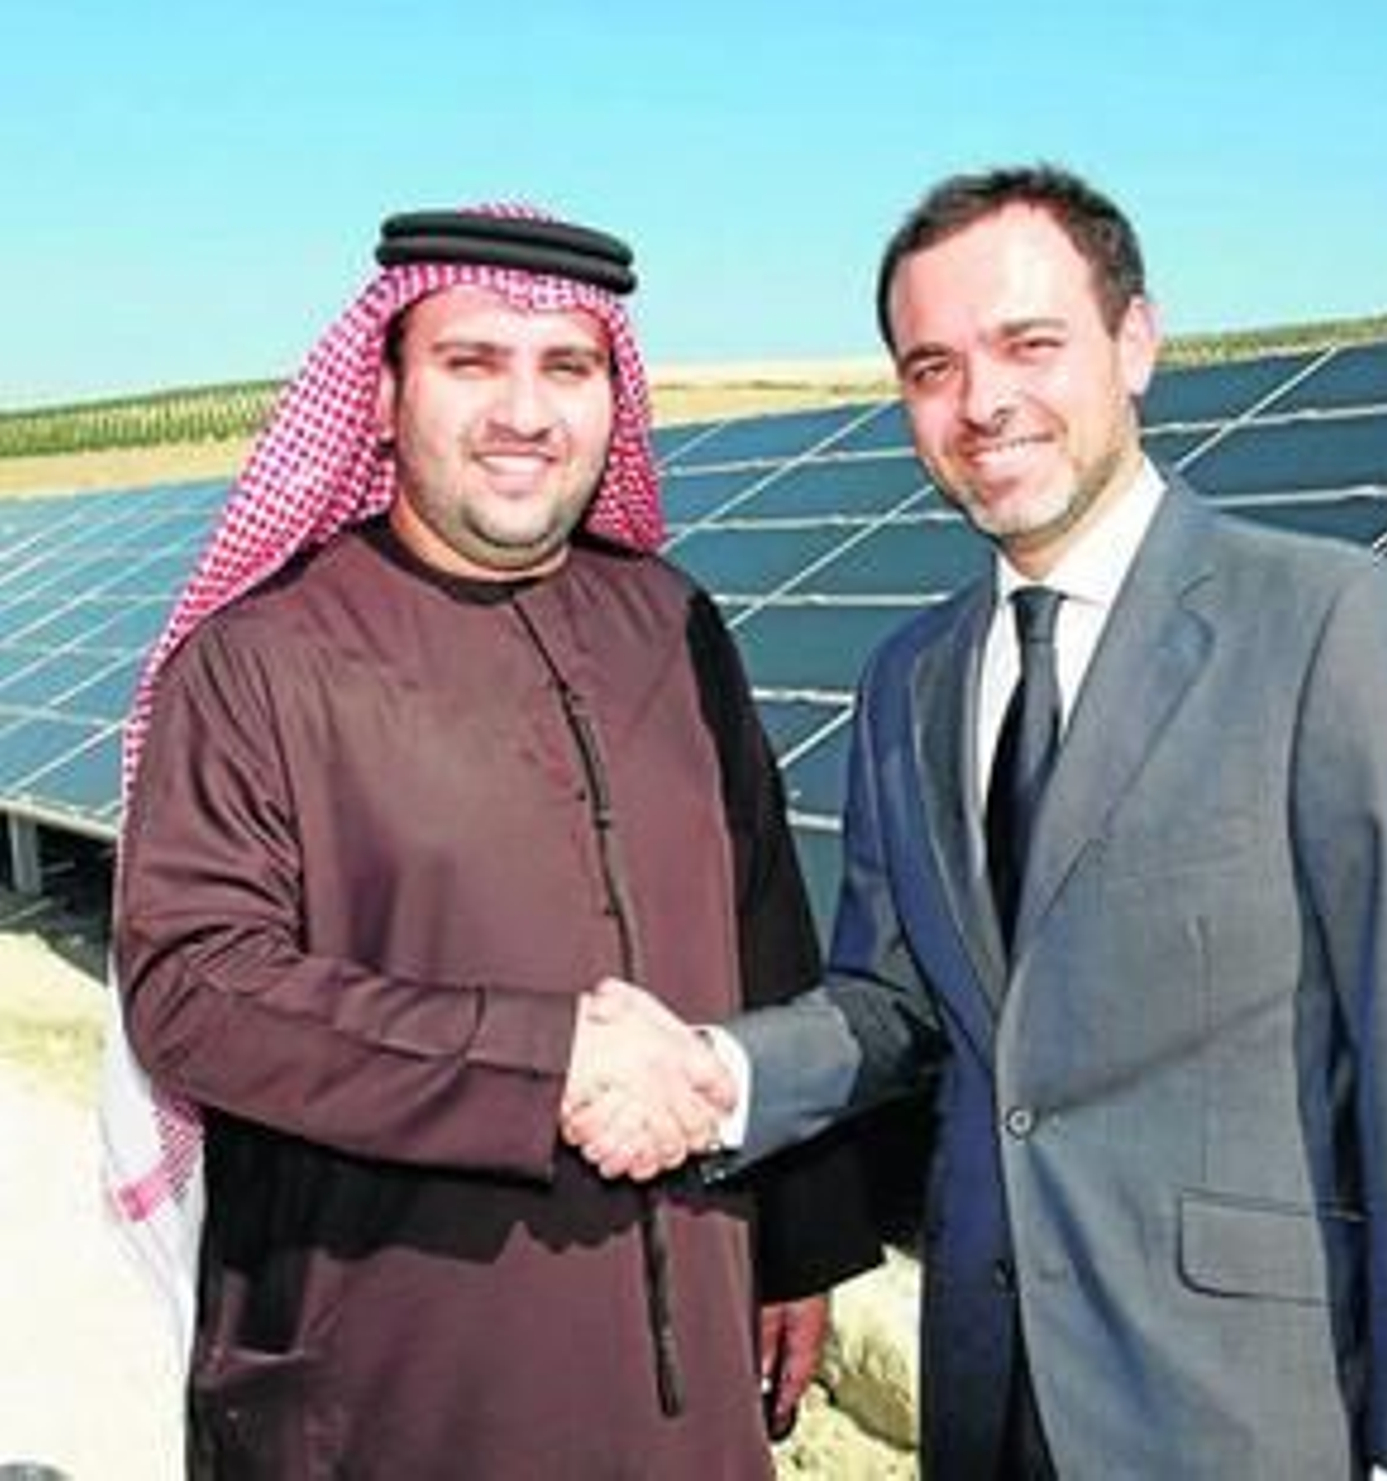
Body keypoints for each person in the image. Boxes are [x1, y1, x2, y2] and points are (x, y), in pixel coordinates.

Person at [562, 166, 1387, 1478]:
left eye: (1030, 343)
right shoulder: (909, 678)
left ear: (1136, 342)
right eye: (931, 366)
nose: (983, 403)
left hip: (1252, 1415)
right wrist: (716, 1075)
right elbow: (897, 1002)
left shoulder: (1335, 628)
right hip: (990, 1399)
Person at [107, 203, 879, 1478]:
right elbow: (193, 989)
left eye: (566, 366)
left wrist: (798, 1242)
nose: (525, 411)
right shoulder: (257, 661)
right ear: (384, 392)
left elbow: (763, 927)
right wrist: (545, 1058)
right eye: (473, 362)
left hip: (686, 1383)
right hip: (390, 1386)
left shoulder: (674, 621)